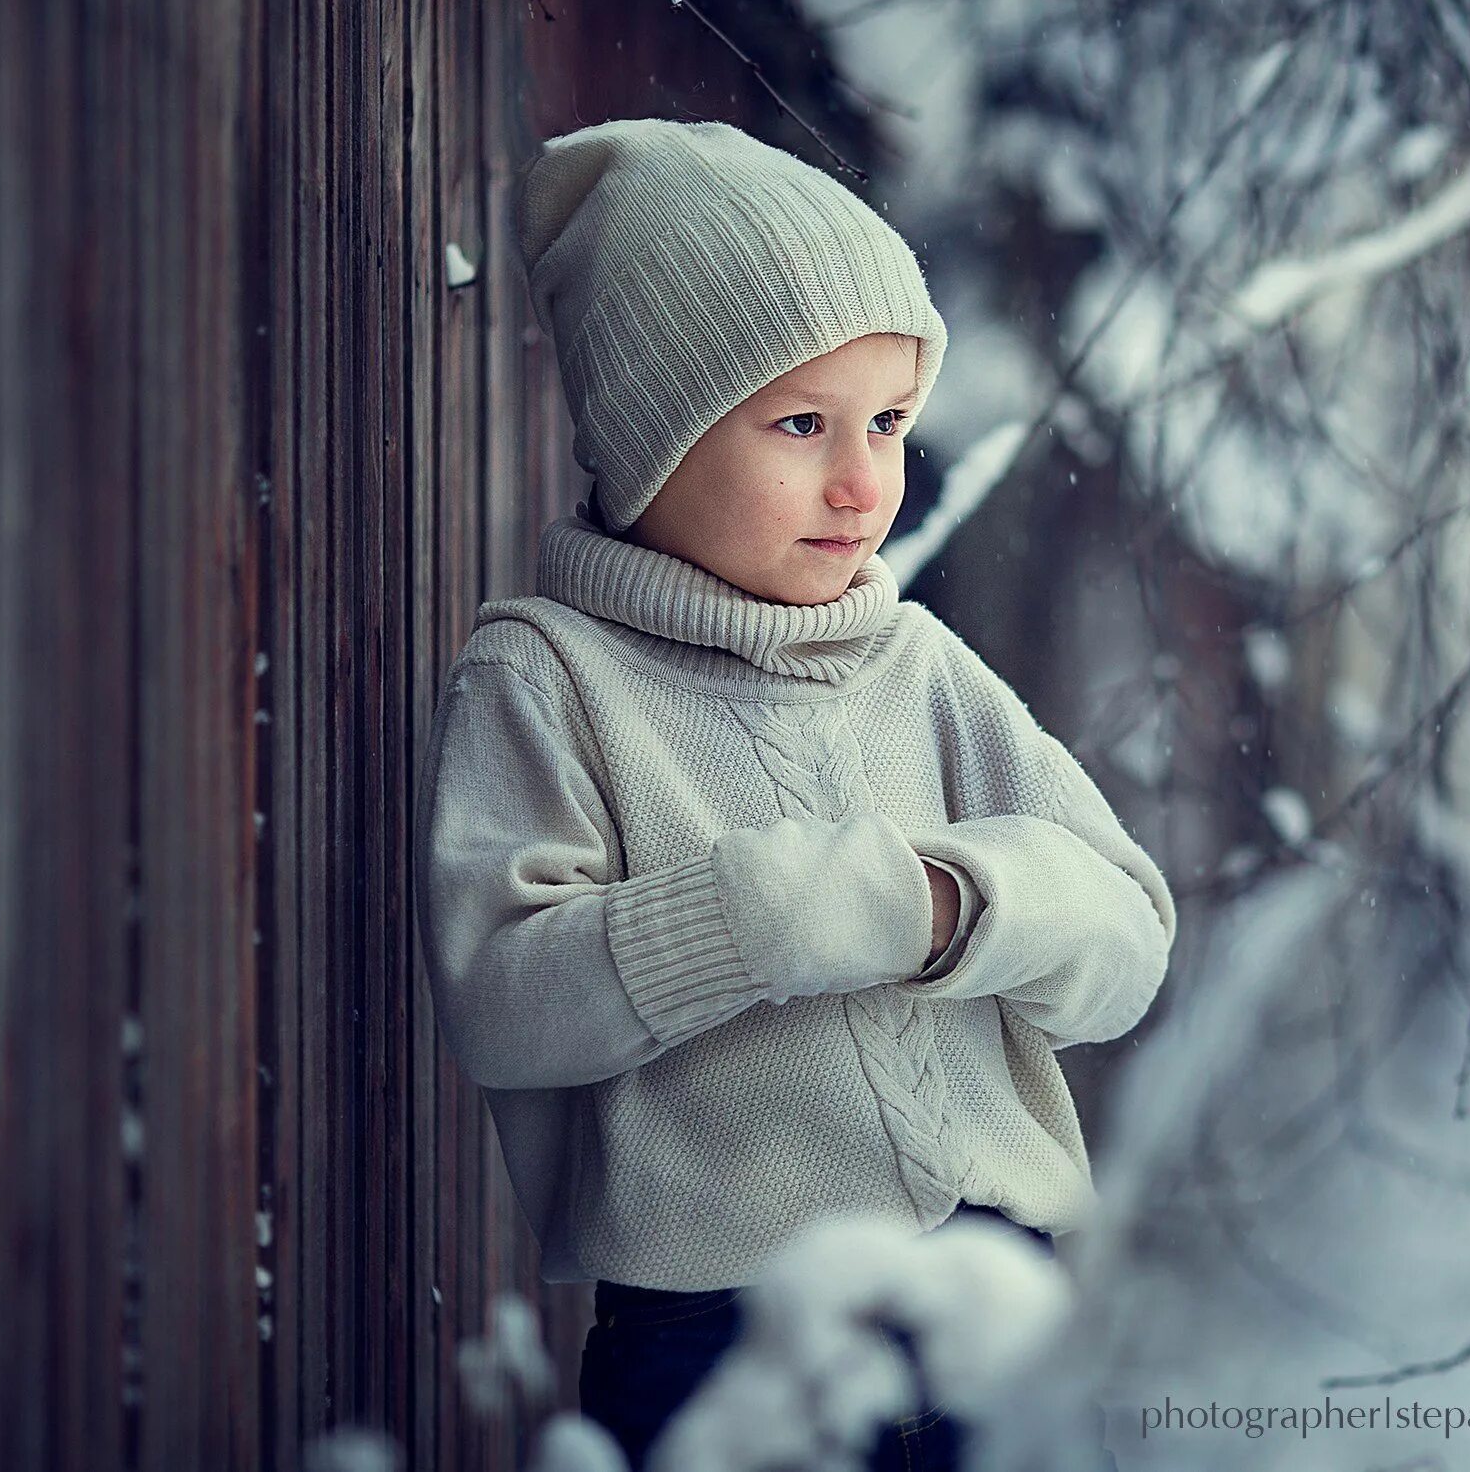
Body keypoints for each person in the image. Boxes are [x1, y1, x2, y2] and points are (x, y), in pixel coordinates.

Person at [412, 118, 1172, 1471]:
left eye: (887, 421)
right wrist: (752, 917)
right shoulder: (549, 677)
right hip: (719, 1329)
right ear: (655, 440)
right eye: (803, 423)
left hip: (989, 1292)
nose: (863, 479)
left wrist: (944, 905)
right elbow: (501, 998)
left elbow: (1127, 942)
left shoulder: (921, 664)